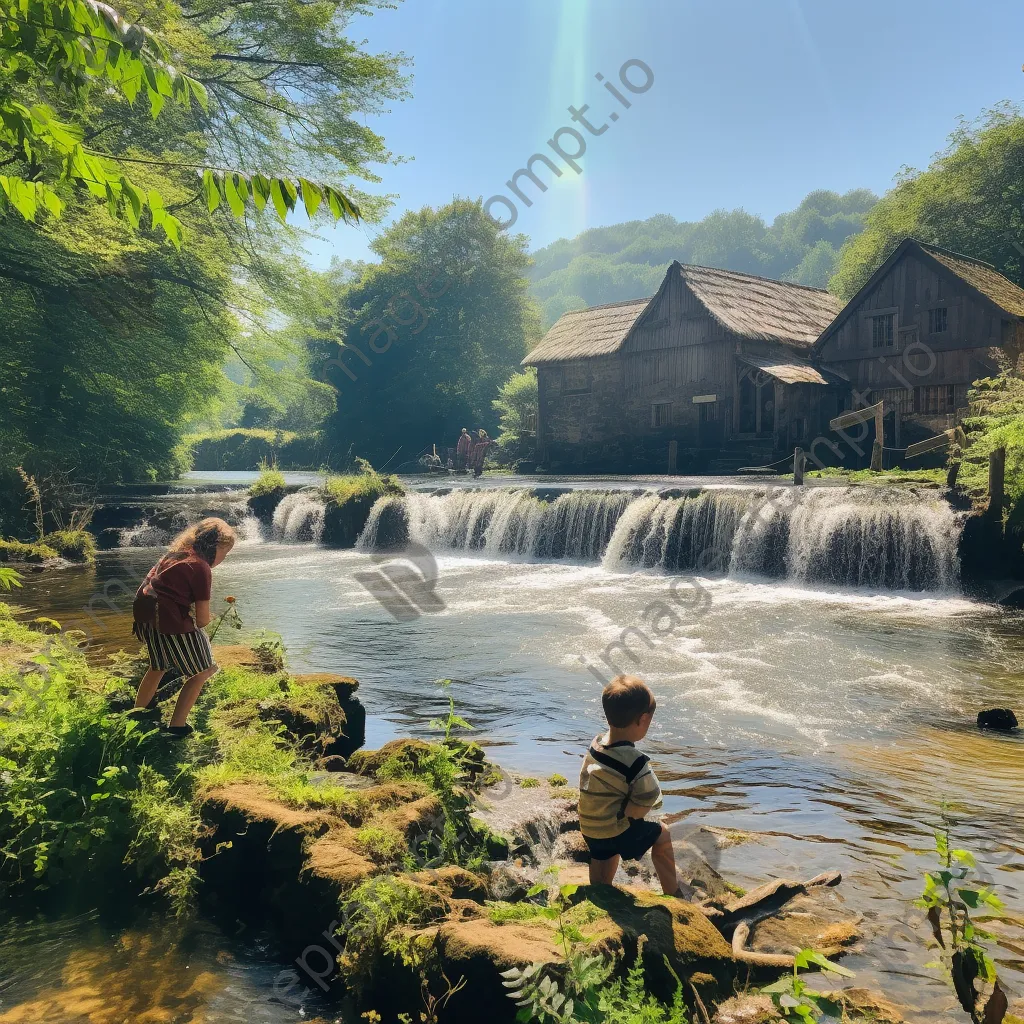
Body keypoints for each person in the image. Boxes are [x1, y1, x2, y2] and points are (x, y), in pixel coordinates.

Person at [578, 675, 685, 896]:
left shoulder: (596, 744)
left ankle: (600, 891)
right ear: (643, 719)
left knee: (603, 853)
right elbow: (648, 796)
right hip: (611, 832)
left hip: (589, 826)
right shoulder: (635, 762)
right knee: (662, 833)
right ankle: (673, 893)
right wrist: (634, 816)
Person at [130, 517, 236, 738]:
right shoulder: (200, 567)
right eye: (224, 553)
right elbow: (202, 621)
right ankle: (177, 727)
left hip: (146, 615)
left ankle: (137, 713)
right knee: (204, 670)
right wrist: (210, 617)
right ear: (214, 547)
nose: (223, 559)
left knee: (158, 666)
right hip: (169, 620)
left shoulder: (175, 555)